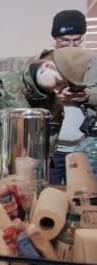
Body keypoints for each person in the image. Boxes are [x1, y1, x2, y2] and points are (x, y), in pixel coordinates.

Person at [0, 47, 93, 180]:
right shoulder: (0, 85)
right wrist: (1, 159)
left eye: (65, 86)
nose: (59, 90)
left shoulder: (55, 100)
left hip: (33, 177)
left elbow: (50, 144)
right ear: (47, 66)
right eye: (58, 82)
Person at [46, 10, 95, 184]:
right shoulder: (44, 62)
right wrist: (56, 96)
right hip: (51, 150)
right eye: (65, 40)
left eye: (77, 40)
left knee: (81, 200)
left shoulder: (92, 62)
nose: (71, 45)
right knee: (48, 199)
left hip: (83, 148)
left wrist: (87, 95)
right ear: (55, 39)